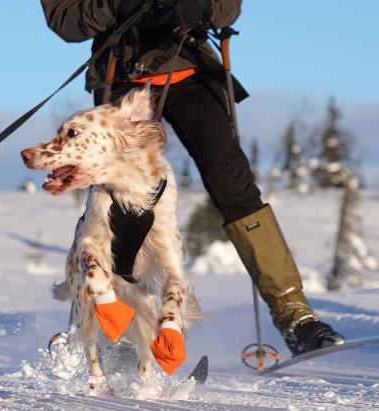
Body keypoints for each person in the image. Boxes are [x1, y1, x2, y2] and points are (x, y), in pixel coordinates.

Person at [40, 0, 345, 355]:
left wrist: (199, 5)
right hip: (120, 75)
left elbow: (227, 10)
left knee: (233, 184)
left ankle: (296, 318)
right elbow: (65, 20)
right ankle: (117, 332)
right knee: (114, 202)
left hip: (188, 72)